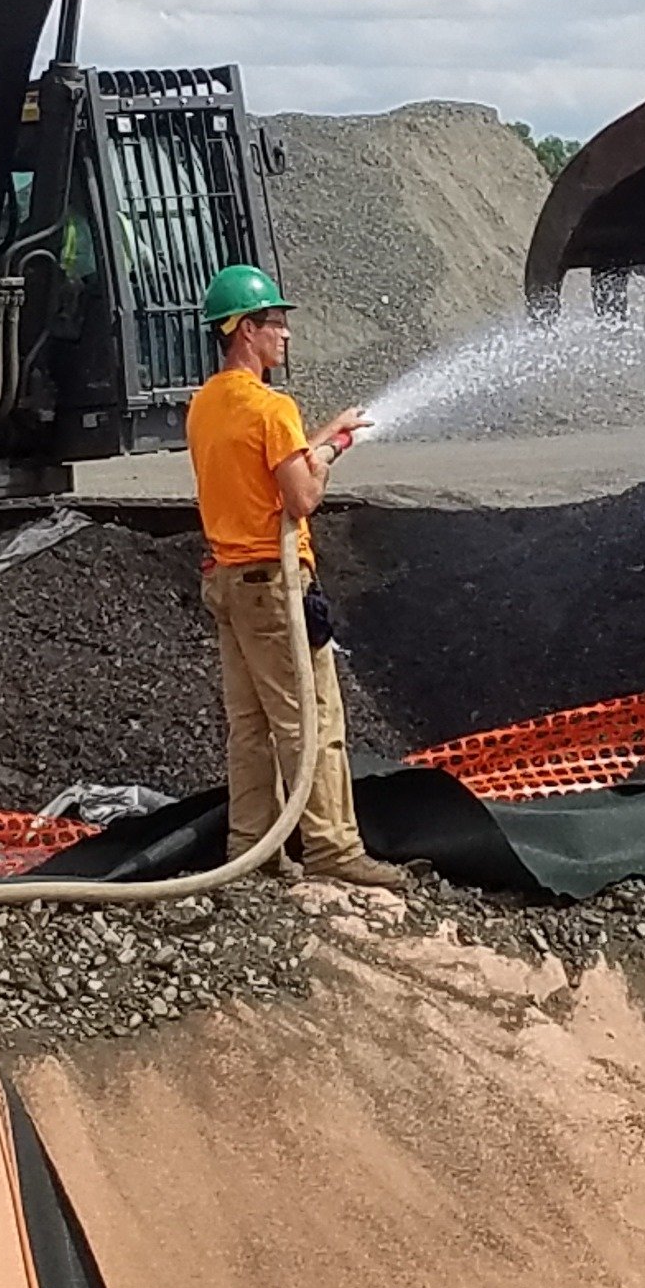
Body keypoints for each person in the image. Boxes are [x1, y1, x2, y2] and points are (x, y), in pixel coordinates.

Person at [183, 263, 405, 889]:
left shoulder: (206, 405)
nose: (285, 334)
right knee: (313, 721)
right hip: (273, 587)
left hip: (227, 581)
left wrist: (320, 436)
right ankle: (334, 850)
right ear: (244, 330)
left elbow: (262, 472)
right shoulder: (271, 406)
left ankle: (248, 847)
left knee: (250, 726)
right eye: (275, 322)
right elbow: (301, 498)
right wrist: (332, 451)